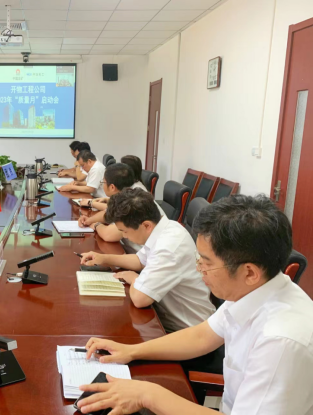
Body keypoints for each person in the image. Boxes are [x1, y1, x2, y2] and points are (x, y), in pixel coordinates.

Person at [77, 195, 313, 415]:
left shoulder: (281, 341)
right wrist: (131, 351)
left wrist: (147, 394)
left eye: (206, 263)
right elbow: (202, 336)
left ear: (249, 272)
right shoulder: (252, 289)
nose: (198, 269)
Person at [81, 188, 215, 333]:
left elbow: (140, 299)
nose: (124, 236)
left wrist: (133, 278)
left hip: (187, 330)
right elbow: (140, 260)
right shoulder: (165, 228)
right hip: (165, 316)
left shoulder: (168, 248)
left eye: (125, 231)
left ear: (146, 225)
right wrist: (104, 258)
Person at [77, 163, 165, 247]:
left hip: (139, 253)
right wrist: (89, 220)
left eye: (103, 182)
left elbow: (108, 235)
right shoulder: (129, 193)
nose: (102, 185)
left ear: (112, 187)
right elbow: (108, 213)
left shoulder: (132, 203)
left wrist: (96, 225)